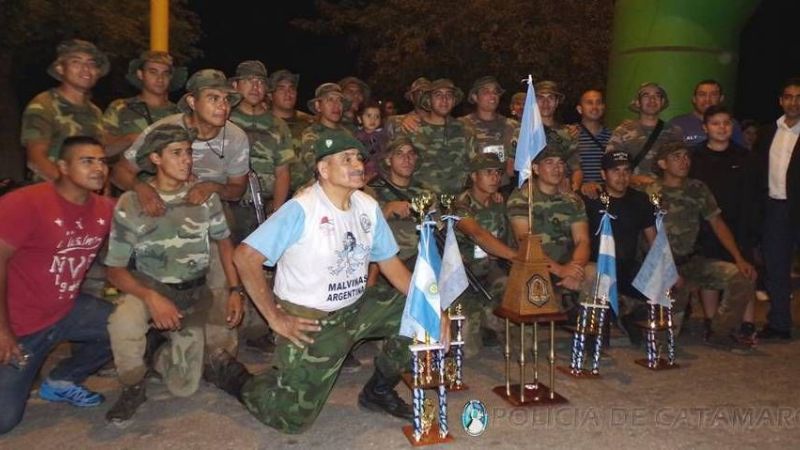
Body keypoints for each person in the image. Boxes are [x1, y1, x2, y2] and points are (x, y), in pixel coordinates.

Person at [205, 133, 437, 434]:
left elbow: (391, 264)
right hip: (312, 320)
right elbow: (245, 256)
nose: (357, 165)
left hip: (357, 306)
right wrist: (275, 319)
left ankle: (378, 392)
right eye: (346, 159)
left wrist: (431, 308)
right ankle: (235, 376)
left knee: (419, 317)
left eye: (358, 158)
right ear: (324, 170)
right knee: (291, 420)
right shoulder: (302, 209)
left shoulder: (367, 205)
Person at [104, 124, 243, 423]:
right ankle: (133, 383)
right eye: (177, 153)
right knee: (124, 319)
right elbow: (114, 269)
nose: (187, 160)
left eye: (189, 153)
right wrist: (151, 297)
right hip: (151, 287)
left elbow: (224, 243)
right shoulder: (131, 202)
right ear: (155, 158)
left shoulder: (204, 196)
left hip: (192, 293)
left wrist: (235, 291)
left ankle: (157, 352)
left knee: (184, 387)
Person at [112, 68, 249, 359]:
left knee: (221, 267)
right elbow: (120, 172)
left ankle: (216, 338)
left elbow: (237, 189)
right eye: (213, 98)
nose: (222, 106)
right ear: (191, 102)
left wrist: (211, 186)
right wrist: (141, 188)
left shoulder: (235, 136)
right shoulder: (164, 130)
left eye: (226, 99)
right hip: (161, 208)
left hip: (211, 208)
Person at [0, 136, 114, 434]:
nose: (99, 168)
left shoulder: (104, 209)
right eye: (87, 161)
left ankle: (62, 380)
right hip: (18, 325)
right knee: (3, 420)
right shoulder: (24, 203)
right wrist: (2, 330)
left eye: (102, 161)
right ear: (62, 166)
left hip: (65, 311)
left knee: (124, 325)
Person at [646, 142, 756, 348]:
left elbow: (717, 222)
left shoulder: (697, 188)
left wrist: (739, 258)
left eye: (686, 156)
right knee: (664, 340)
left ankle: (719, 331)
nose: (684, 161)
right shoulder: (650, 191)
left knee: (742, 276)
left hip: (692, 262)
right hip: (662, 266)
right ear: (662, 163)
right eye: (676, 156)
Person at [690, 105, 757, 341]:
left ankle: (747, 324)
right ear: (705, 127)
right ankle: (711, 321)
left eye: (726, 123)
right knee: (710, 274)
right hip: (706, 227)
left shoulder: (745, 157)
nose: (721, 128)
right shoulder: (694, 157)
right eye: (715, 123)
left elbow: (752, 195)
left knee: (747, 271)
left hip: (739, 225)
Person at [507, 146, 594, 314]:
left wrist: (574, 269)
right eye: (549, 163)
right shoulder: (521, 198)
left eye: (561, 163)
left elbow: (582, 241)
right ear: (536, 168)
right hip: (531, 267)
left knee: (597, 274)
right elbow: (525, 245)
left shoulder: (572, 200)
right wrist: (560, 270)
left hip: (567, 264)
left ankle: (588, 332)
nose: (557, 168)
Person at [580, 151, 656, 344]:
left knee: (661, 284)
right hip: (598, 267)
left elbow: (654, 240)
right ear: (603, 174)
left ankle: (628, 313)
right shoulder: (590, 198)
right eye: (615, 171)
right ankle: (596, 336)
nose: (622, 176)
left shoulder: (640, 200)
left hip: (628, 267)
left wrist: (666, 270)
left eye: (626, 171)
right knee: (594, 277)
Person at [452, 153, 518, 355]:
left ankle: (491, 325)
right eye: (487, 173)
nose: (495, 178)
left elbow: (508, 238)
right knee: (468, 350)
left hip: (489, 274)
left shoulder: (499, 203)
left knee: (513, 286)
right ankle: (479, 321)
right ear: (473, 176)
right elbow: (477, 234)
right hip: (463, 279)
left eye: (498, 173)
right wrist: (516, 257)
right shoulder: (460, 204)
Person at [752, 78, 800, 341]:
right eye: (789, 97)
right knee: (776, 268)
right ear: (781, 101)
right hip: (774, 209)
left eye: (798, 97)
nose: (794, 102)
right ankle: (780, 324)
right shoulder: (767, 132)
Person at [21, 39, 109, 182]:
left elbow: (98, 158)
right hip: (50, 194)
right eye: (76, 62)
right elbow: (35, 159)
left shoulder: (95, 112)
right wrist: (68, 188)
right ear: (60, 69)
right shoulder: (44, 104)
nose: (86, 69)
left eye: (91, 63)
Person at [229, 60, 295, 231]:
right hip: (229, 206)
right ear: (235, 86)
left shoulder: (278, 125)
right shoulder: (225, 120)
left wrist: (277, 212)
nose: (255, 87)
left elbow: (283, 173)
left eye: (260, 82)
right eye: (249, 81)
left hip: (265, 206)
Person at [396, 78, 477, 195]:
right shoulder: (413, 129)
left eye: (449, 95)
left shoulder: (466, 130)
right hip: (421, 203)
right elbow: (396, 168)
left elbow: (477, 167)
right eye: (438, 95)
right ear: (429, 100)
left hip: (459, 204)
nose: (444, 100)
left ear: (454, 100)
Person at [103, 50, 186, 157]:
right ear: (140, 74)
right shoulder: (120, 107)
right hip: (127, 172)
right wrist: (131, 139)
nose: (160, 79)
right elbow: (104, 151)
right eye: (153, 72)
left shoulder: (179, 113)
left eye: (165, 73)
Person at [606, 82, 683, 189]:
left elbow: (682, 165)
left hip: (665, 193)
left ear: (662, 102)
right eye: (646, 95)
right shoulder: (622, 131)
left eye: (657, 96)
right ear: (638, 102)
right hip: (631, 192)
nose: (652, 99)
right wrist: (632, 178)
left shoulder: (674, 132)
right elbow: (611, 164)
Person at [292, 83, 353, 189]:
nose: (336, 105)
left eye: (339, 101)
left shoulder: (347, 134)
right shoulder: (311, 134)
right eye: (330, 100)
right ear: (318, 106)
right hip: (315, 190)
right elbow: (316, 167)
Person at [460, 76, 520, 178]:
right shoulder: (461, 125)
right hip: (473, 188)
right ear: (475, 97)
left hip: (506, 188)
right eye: (486, 92)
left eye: (495, 92)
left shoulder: (513, 126)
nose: (492, 96)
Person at [266, 70, 316, 192]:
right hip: (272, 194)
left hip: (308, 193)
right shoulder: (263, 124)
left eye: (292, 88)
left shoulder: (310, 122)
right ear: (270, 95)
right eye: (281, 89)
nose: (288, 93)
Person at [667, 79, 744, 147]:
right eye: (702, 94)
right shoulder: (677, 124)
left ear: (721, 98)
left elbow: (739, 155)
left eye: (713, 94)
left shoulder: (731, 124)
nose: (707, 99)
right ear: (694, 99)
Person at [575, 89, 613, 197]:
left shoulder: (614, 137)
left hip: (606, 195)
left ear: (603, 107)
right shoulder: (570, 135)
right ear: (580, 109)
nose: (595, 107)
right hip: (577, 196)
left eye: (599, 102)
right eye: (589, 103)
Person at [354, 100, 389, 182]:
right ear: (359, 119)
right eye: (369, 115)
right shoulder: (355, 137)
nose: (373, 120)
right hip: (360, 175)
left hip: (380, 175)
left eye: (377, 116)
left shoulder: (383, 136)